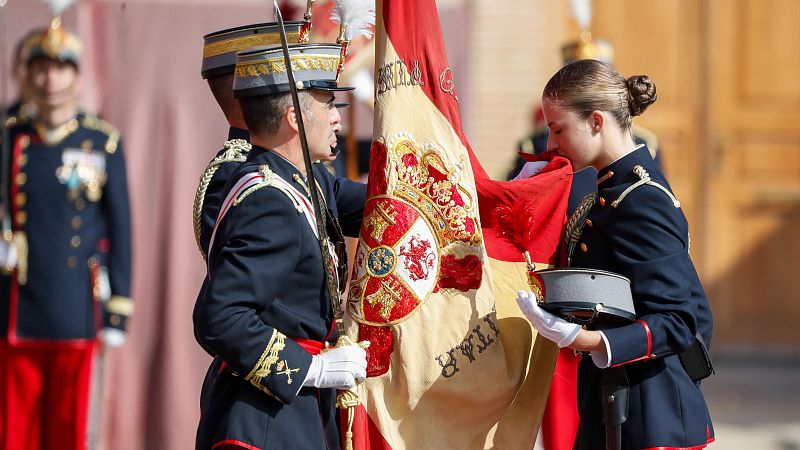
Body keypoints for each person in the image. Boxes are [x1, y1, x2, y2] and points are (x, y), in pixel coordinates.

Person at [516, 59, 714, 449]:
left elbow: (679, 321)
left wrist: (586, 340)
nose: (551, 144)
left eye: (558, 129)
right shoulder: (609, 190)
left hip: (652, 416)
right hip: (613, 405)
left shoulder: (641, 200)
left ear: (596, 122)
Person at [193, 43, 368, 450]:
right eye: (327, 104)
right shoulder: (269, 200)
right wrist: (312, 369)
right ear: (295, 118)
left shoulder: (302, 178)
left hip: (293, 412)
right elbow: (220, 317)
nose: (337, 118)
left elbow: (373, 204)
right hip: (264, 420)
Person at [0, 21, 132, 450]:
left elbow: (121, 228)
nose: (50, 79)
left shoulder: (102, 141)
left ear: (77, 76)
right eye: (40, 68)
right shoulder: (10, 136)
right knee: (14, 430)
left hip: (76, 304)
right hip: (17, 303)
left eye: (61, 68)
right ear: (27, 74)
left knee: (68, 430)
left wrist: (117, 311)